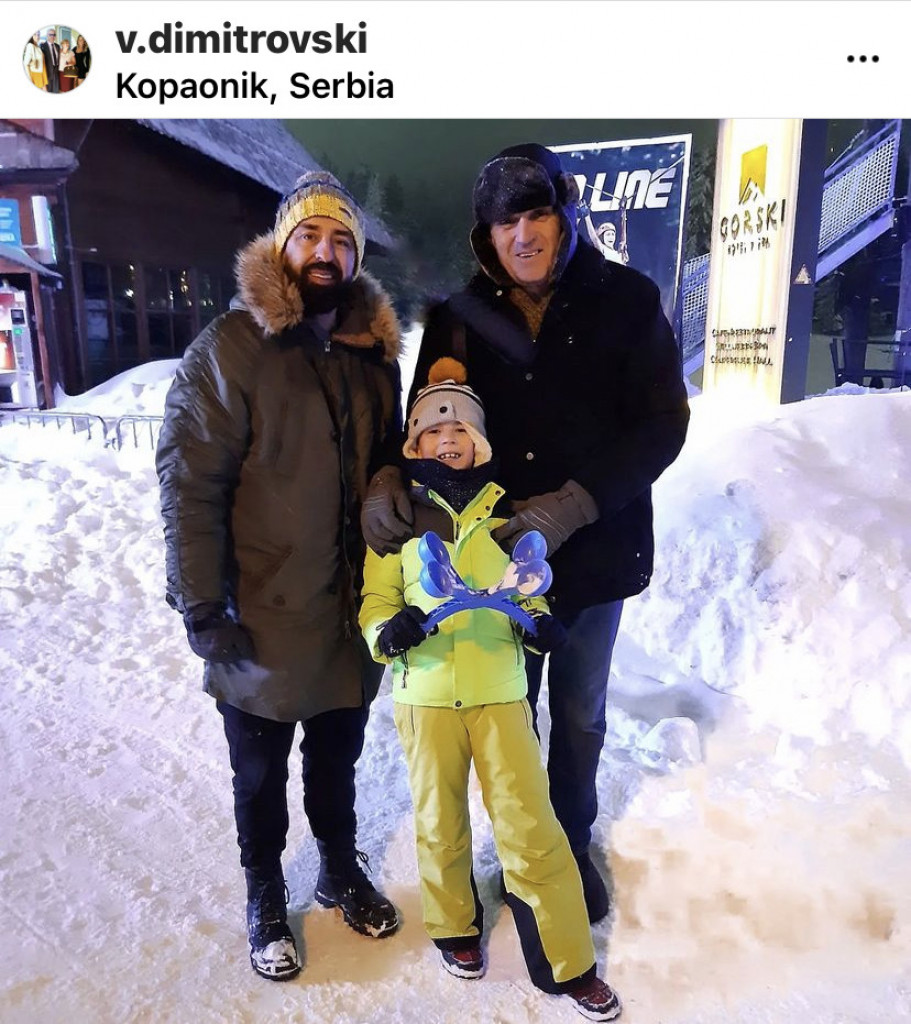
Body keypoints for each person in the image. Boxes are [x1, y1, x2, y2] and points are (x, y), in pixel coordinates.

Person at [362, 142, 689, 925]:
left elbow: (662, 423)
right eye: (504, 222)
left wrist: (576, 503)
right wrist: (386, 477)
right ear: (485, 235)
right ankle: (521, 845)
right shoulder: (458, 316)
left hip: (597, 551)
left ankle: (567, 842)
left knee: (578, 714)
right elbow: (428, 421)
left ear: (563, 214)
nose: (522, 234)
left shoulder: (626, 300)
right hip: (493, 557)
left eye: (536, 214)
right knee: (509, 715)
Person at [156, 171, 403, 982]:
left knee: (337, 756)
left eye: (340, 240)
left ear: (355, 257)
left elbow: (388, 461)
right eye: (308, 235)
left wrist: (391, 496)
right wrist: (201, 600)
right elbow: (190, 482)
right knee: (258, 771)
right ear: (281, 245)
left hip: (347, 608)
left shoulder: (373, 357)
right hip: (258, 608)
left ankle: (337, 867)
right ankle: (264, 889)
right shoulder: (231, 348)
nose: (324, 252)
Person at [360, 360, 622, 1021]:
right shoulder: (396, 524)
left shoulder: (505, 519)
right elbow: (374, 601)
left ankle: (568, 963)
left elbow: (526, 593)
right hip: (425, 696)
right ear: (415, 443)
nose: (448, 440)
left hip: (501, 694)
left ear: (478, 442)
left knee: (531, 826)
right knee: (439, 822)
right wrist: (387, 631)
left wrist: (540, 626)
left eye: (460, 431)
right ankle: (454, 927)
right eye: (433, 431)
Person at [40, 28, 60, 93]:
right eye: (50, 34)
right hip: (47, 72)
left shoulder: (57, 46)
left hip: (56, 71)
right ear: (47, 35)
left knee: (56, 91)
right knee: (48, 91)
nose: (52, 36)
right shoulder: (42, 46)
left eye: (54, 35)